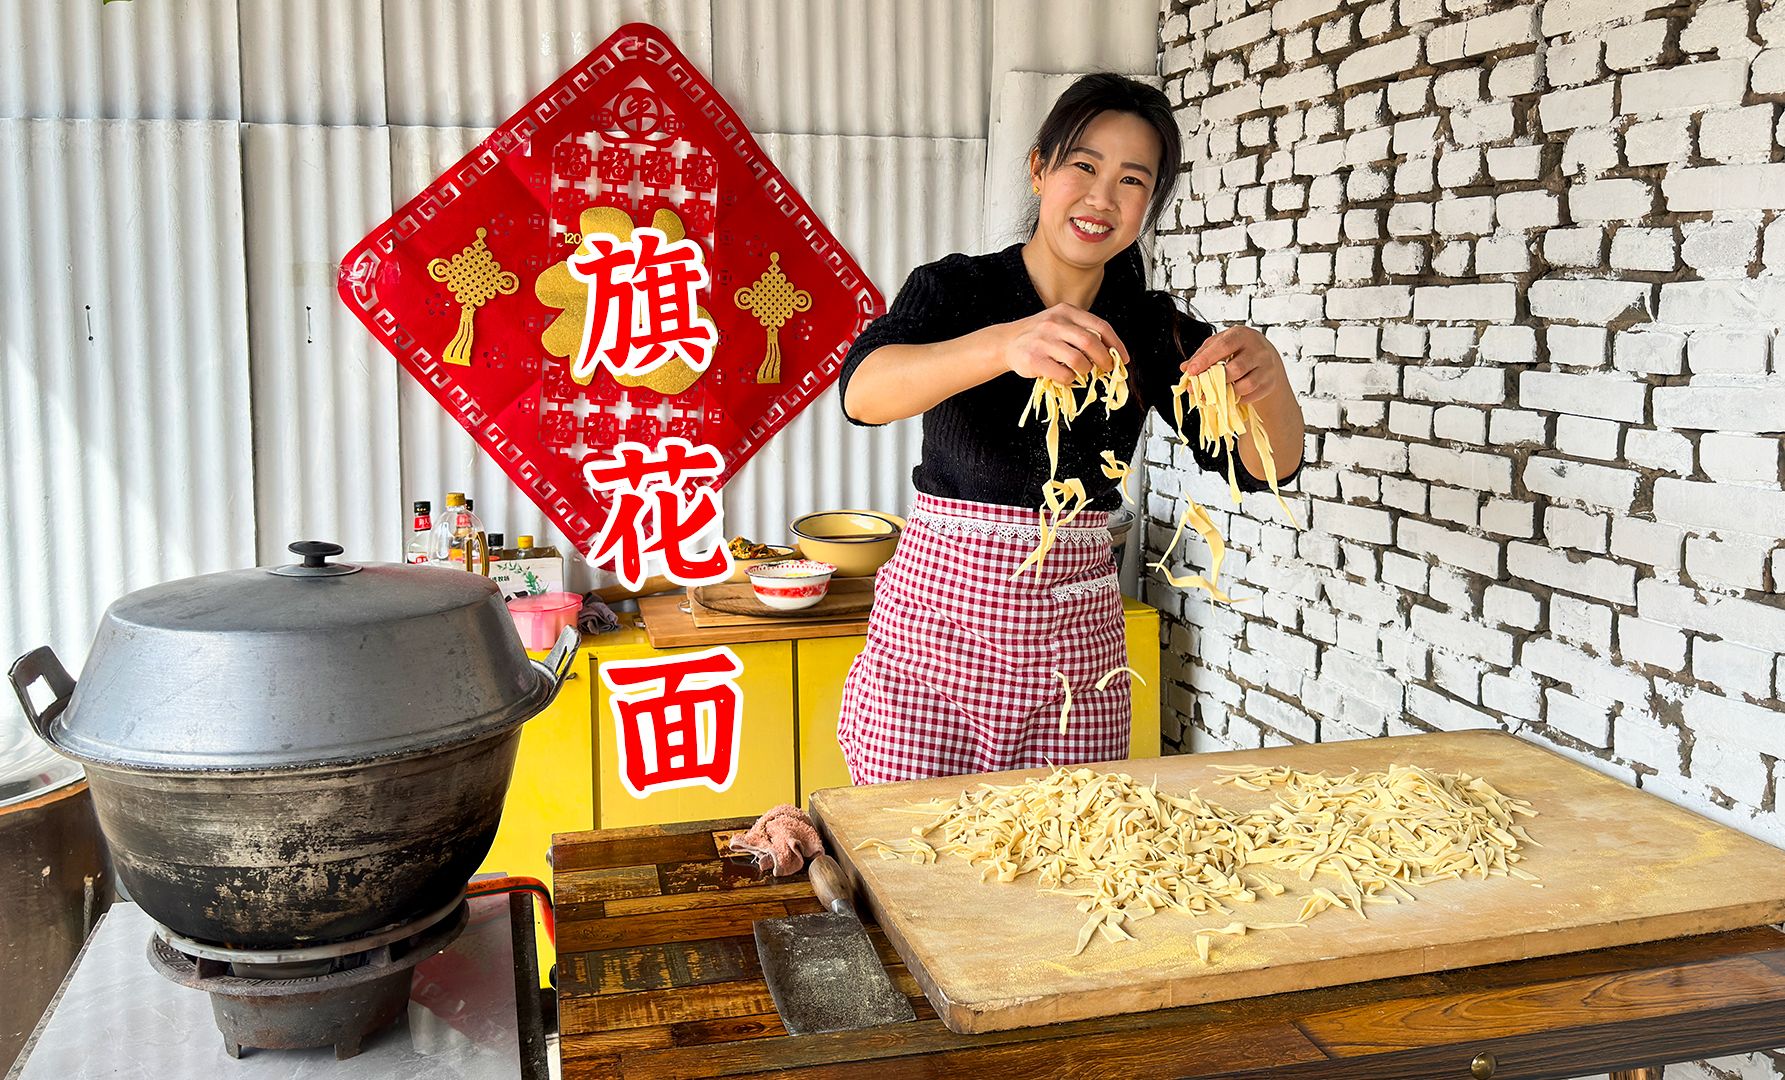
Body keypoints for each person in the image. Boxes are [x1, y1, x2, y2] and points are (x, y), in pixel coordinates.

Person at [834, 73, 1305, 786]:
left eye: (1130, 181)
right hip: (934, 637)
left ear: (1148, 204)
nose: (1100, 198)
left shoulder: (1150, 330)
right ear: (1038, 168)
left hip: (1071, 655)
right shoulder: (957, 289)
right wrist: (1002, 345)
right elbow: (863, 394)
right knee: (908, 847)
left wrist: (1270, 388)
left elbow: (1261, 467)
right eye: (1082, 166)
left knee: (1061, 854)